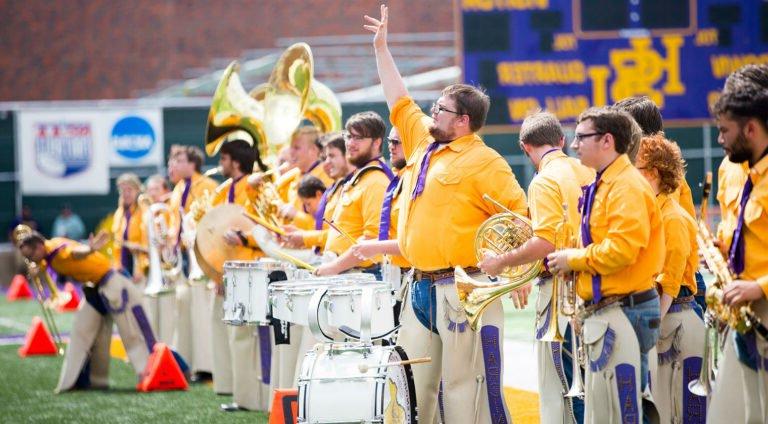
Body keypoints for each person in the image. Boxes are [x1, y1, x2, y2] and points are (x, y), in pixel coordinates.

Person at [365, 6, 528, 422]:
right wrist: (382, 48)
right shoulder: (423, 141)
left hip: (459, 288)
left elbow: (521, 219)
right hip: (417, 285)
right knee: (411, 384)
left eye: (441, 109)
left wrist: (517, 272)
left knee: (460, 389)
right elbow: (398, 98)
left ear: (463, 121)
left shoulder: (486, 162)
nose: (431, 113)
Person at [547, 106, 664, 423]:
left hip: (622, 309)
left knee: (621, 412)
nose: (574, 145)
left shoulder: (625, 185)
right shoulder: (607, 182)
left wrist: (573, 259)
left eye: (581, 137)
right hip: (611, 309)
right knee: (604, 412)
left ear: (607, 141)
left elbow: (622, 250)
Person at [478, 111, 593, 424]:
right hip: (594, 284)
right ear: (562, 140)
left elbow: (546, 242)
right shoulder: (588, 170)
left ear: (524, 146)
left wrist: (503, 260)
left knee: (561, 388)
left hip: (560, 292)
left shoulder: (543, 181)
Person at [15, 228, 155, 393]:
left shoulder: (57, 250)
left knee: (131, 331)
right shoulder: (48, 251)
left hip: (112, 283)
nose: (30, 260)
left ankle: (149, 373)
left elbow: (75, 252)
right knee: (81, 332)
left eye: (30, 256)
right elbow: (50, 262)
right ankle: (86, 380)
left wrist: (89, 249)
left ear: (38, 247)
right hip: (95, 289)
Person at [709, 65, 768, 422]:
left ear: (750, 127)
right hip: (742, 312)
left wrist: (759, 287)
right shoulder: (734, 167)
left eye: (725, 130)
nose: (721, 140)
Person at [635, 134, 707, 422]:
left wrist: (649, 331)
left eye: (635, 167)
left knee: (679, 413)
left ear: (653, 172)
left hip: (674, 322)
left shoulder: (673, 217)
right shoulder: (653, 211)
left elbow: (670, 282)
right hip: (664, 321)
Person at [210, 138, 268, 412]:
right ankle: (244, 397)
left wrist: (244, 240)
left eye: (223, 159)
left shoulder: (256, 187)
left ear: (235, 161)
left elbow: (269, 231)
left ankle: (258, 397)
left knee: (252, 337)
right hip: (232, 271)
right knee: (238, 336)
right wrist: (216, 273)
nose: (220, 164)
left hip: (253, 269)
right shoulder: (223, 191)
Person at [314, 112, 392, 277]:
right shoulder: (361, 178)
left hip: (360, 277)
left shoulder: (375, 181)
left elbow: (373, 241)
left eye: (358, 138)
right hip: (348, 275)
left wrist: (334, 267)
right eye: (348, 137)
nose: (350, 143)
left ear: (377, 142)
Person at [166, 145, 218, 384]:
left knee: (202, 313)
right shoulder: (178, 188)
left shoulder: (206, 185)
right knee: (187, 315)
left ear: (192, 163)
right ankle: (192, 362)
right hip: (183, 257)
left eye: (179, 160)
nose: (174, 165)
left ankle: (207, 365)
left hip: (200, 255)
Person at [282, 133, 354, 252]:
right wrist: (302, 234)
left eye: (332, 156)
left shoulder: (353, 188)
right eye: (325, 157)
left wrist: (305, 237)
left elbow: (343, 235)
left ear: (348, 155)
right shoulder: (337, 188)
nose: (326, 163)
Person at [141, 174, 177, 348]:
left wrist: (165, 241)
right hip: (152, 271)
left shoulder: (167, 210)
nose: (152, 193)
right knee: (153, 318)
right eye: (150, 190)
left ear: (166, 190)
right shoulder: (148, 213)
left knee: (169, 319)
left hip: (169, 270)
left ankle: (168, 351)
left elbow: (172, 237)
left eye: (156, 189)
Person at [276, 126, 334, 230]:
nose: (291, 152)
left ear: (313, 150)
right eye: (291, 147)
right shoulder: (293, 176)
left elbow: (327, 225)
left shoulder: (327, 177)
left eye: (296, 148)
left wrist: (296, 216)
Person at [111, 173, 148, 283]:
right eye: (122, 190)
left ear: (138, 190)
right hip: (123, 270)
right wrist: (116, 267)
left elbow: (146, 242)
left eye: (129, 190)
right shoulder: (119, 213)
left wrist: (140, 270)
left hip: (141, 270)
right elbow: (117, 245)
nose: (126, 194)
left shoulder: (144, 210)